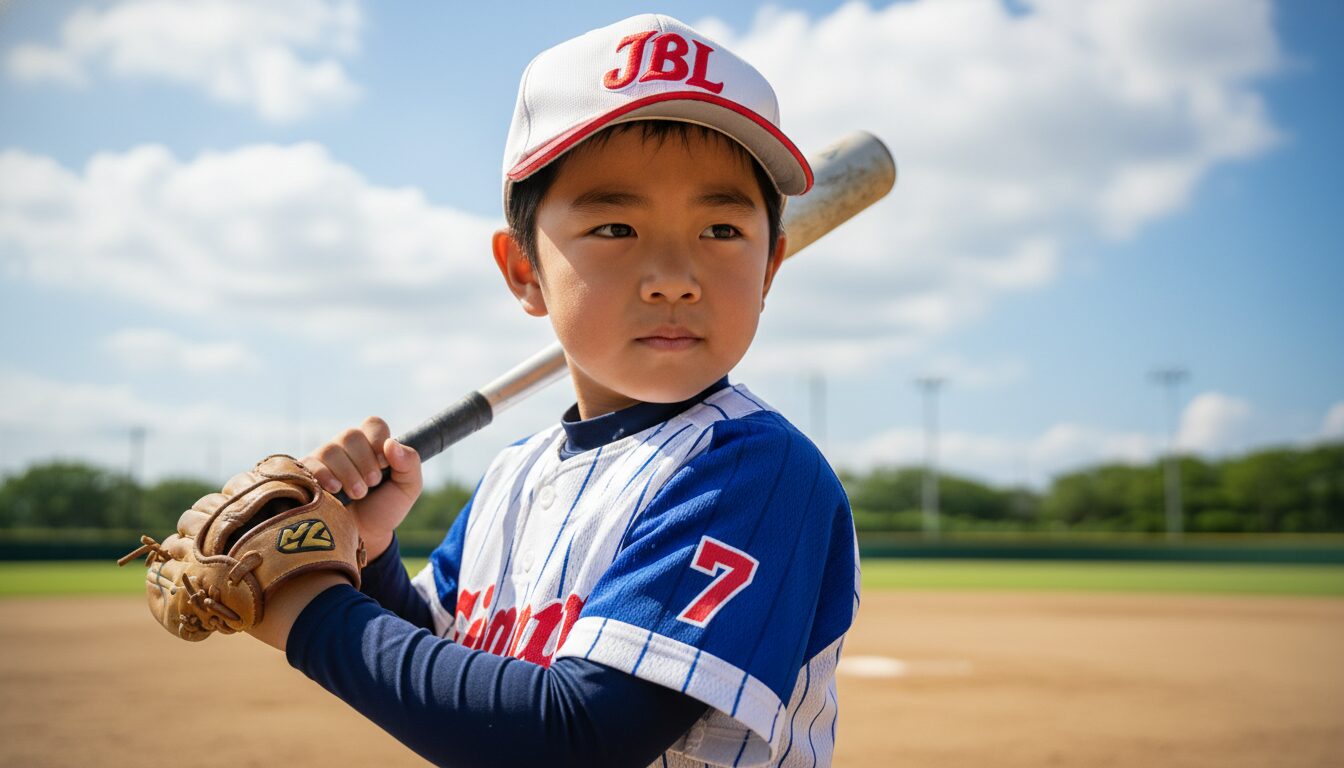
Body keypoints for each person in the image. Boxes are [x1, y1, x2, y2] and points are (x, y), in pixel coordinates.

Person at [247, 13, 858, 767]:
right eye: (614, 229)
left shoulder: (755, 471)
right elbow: (453, 672)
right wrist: (366, 557)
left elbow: (574, 739)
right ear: (524, 271)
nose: (673, 278)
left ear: (771, 266)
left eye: (722, 231)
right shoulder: (516, 474)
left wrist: (310, 613)